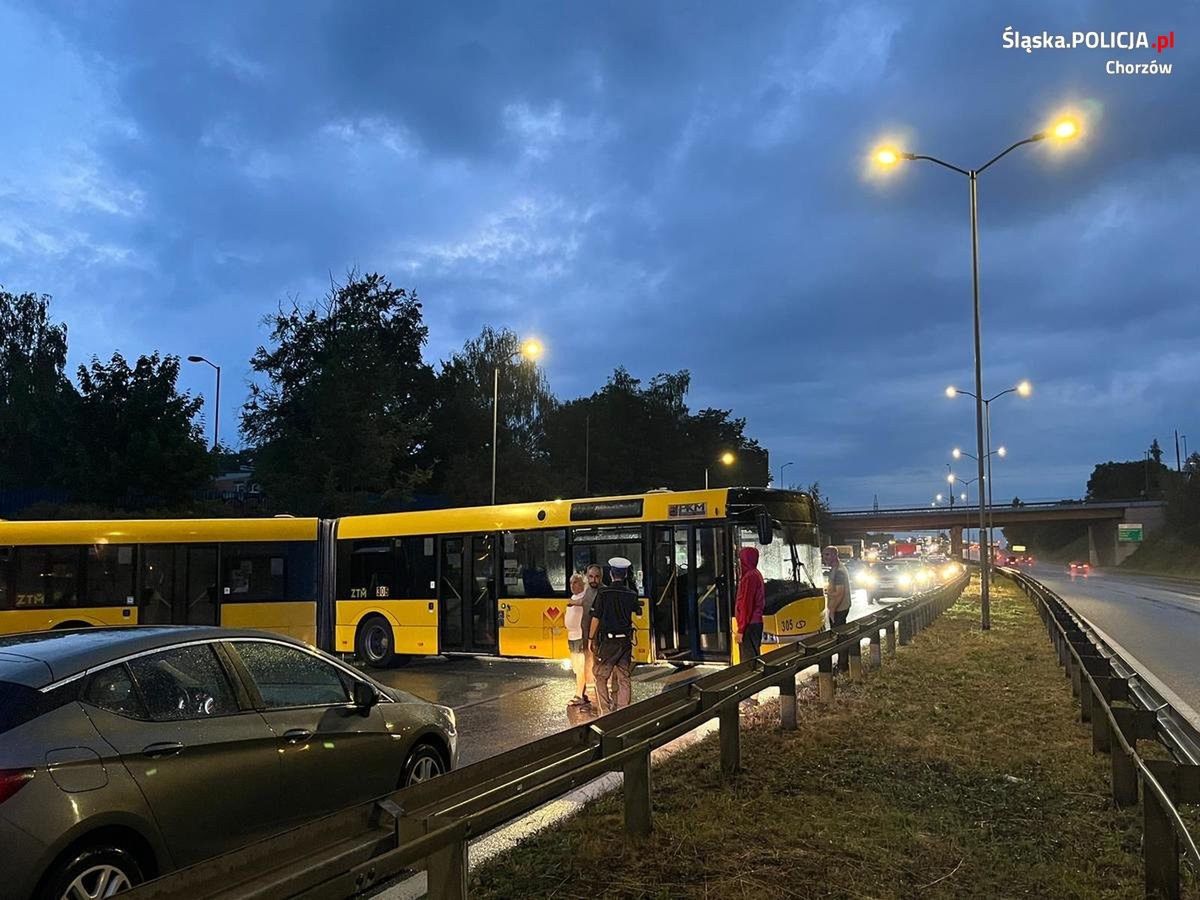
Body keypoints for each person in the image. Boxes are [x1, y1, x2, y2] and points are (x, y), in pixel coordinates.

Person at [589, 556, 641, 713]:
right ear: (625, 575)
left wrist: (591, 639)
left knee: (601, 676)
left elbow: (596, 617)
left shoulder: (603, 593)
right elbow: (638, 614)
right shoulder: (631, 594)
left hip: (608, 643)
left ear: (610, 574)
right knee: (624, 677)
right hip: (625, 642)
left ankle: (605, 711)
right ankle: (623, 710)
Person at [734, 547, 765, 664]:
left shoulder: (749, 577)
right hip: (755, 623)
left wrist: (741, 630)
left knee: (748, 660)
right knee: (754, 656)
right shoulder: (756, 574)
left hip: (749, 625)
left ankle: (752, 681)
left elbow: (746, 604)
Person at [565, 573, 590, 706]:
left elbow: (584, 603)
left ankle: (579, 694)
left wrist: (572, 602)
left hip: (580, 636)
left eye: (575, 582)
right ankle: (581, 692)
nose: (572, 586)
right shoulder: (574, 597)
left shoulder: (584, 596)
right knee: (576, 668)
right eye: (571, 583)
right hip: (572, 637)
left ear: (582, 584)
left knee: (580, 667)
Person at [824, 546, 851, 627]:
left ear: (835, 555)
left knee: (838, 633)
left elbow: (839, 594)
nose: (825, 557)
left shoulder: (839, 571)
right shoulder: (835, 569)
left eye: (827, 554)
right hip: (839, 608)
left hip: (839, 609)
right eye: (823, 555)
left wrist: (832, 610)